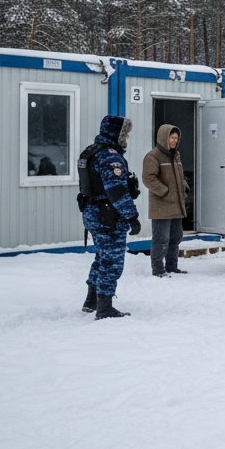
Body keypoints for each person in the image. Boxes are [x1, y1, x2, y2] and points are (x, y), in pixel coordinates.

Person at [77, 115, 141, 319]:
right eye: (125, 133)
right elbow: (116, 192)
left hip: (93, 213)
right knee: (112, 262)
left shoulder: (91, 151)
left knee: (102, 257)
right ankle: (104, 306)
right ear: (117, 134)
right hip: (107, 217)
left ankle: (91, 300)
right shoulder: (110, 157)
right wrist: (132, 217)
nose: (128, 137)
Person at [142, 123, 189, 277]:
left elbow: (178, 176)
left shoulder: (175, 155)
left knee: (175, 238)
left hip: (176, 205)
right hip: (161, 206)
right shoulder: (153, 156)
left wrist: (184, 186)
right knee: (161, 239)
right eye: (171, 137)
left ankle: (171, 266)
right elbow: (148, 178)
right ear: (163, 137)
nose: (174, 141)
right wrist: (165, 192)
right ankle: (158, 269)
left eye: (176, 138)